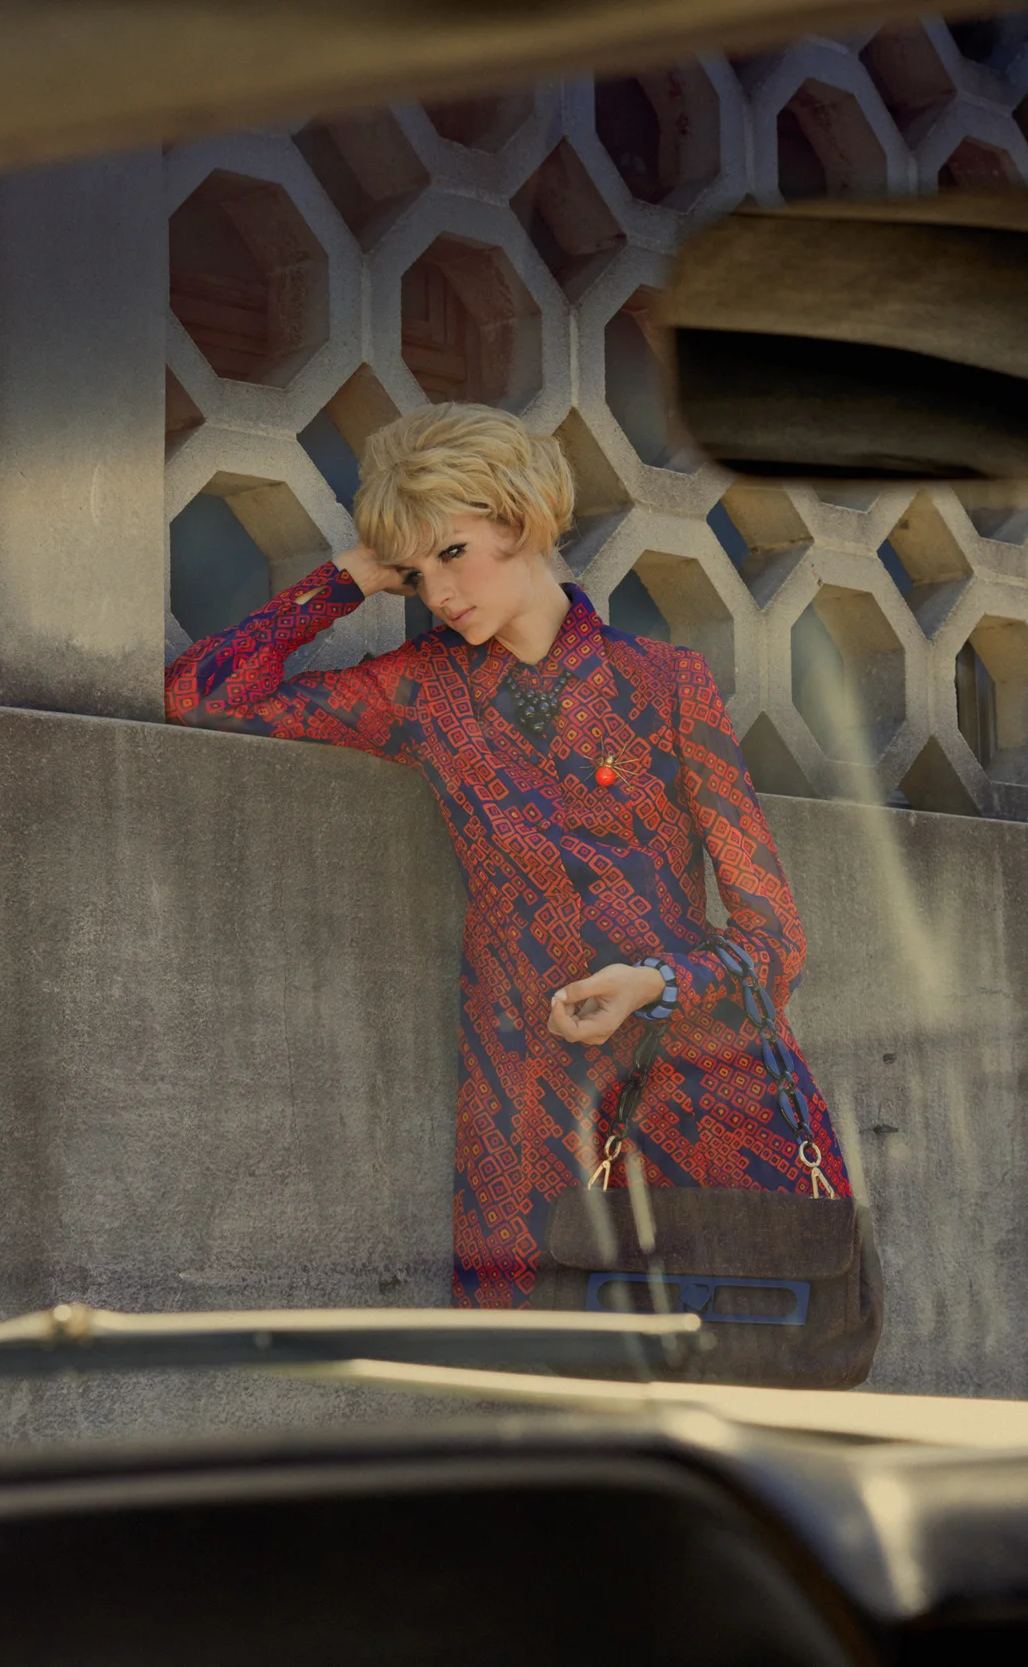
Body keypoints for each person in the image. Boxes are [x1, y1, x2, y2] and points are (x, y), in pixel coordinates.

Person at [165, 403, 850, 1307]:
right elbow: (202, 695)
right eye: (418, 573)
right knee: (537, 1366)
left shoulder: (667, 683)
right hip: (530, 1101)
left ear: (520, 519)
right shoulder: (421, 691)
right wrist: (352, 575)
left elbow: (777, 939)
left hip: (702, 1083)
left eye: (453, 551)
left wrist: (653, 983)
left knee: (754, 1352)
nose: (441, 592)